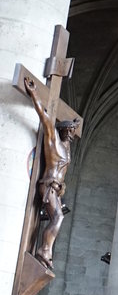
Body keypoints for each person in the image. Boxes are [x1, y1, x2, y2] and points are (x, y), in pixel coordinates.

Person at [24, 76, 78, 269]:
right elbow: (46, 120)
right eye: (70, 131)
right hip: (48, 186)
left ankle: (45, 249)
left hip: (55, 189)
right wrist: (35, 93)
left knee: (58, 217)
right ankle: (44, 250)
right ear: (64, 131)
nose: (72, 135)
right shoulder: (54, 142)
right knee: (58, 217)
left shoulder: (65, 150)